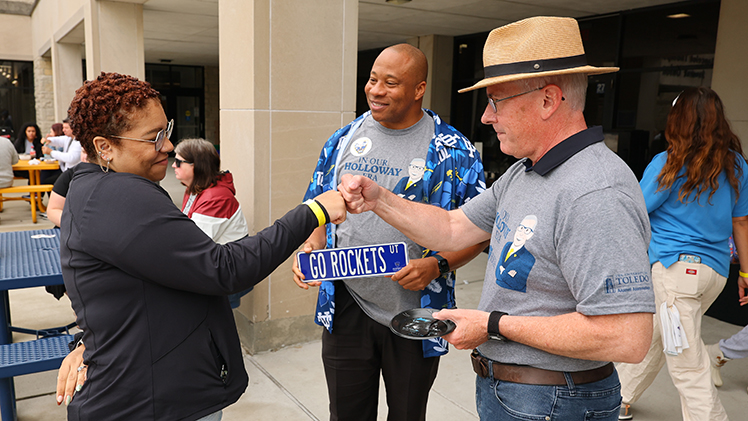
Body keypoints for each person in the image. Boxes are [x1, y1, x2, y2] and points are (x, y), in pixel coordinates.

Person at [339, 16, 655, 421]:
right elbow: (454, 228)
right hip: (519, 394)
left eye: (497, 100)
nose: (486, 117)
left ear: (548, 99)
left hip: (555, 401)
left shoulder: (595, 193)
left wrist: (493, 325)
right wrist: (379, 199)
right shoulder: (527, 170)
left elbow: (626, 337)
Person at [53, 72, 346, 421]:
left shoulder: (98, 190)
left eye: (167, 130)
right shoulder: (118, 197)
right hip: (153, 402)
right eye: (153, 138)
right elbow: (225, 269)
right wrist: (314, 211)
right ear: (105, 147)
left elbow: (121, 293)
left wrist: (93, 340)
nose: (167, 146)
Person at [292, 43, 487, 421]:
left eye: (390, 82)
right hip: (347, 303)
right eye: (372, 79)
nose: (375, 90)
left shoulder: (453, 150)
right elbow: (317, 204)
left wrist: (438, 265)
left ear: (419, 89)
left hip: (415, 313)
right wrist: (310, 247)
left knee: (407, 413)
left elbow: (479, 232)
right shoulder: (343, 139)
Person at [616, 87, 748, 420]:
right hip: (715, 274)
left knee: (688, 367)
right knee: (659, 338)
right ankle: (618, 398)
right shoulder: (738, 166)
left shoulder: (668, 163)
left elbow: (636, 211)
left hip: (677, 275)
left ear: (678, 121)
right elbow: (742, 223)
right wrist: (746, 274)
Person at [173, 138, 252, 308]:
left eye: (179, 162)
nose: (173, 165)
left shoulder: (216, 197)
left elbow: (194, 242)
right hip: (213, 269)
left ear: (197, 165)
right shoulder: (196, 188)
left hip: (225, 272)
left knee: (216, 326)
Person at [41, 118, 82, 184]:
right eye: (63, 127)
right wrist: (48, 140)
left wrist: (51, 152)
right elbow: (58, 140)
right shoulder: (68, 138)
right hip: (67, 171)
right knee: (45, 176)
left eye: (66, 128)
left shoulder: (79, 141)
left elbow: (71, 158)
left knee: (49, 181)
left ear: (74, 128)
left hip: (75, 174)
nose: (63, 130)